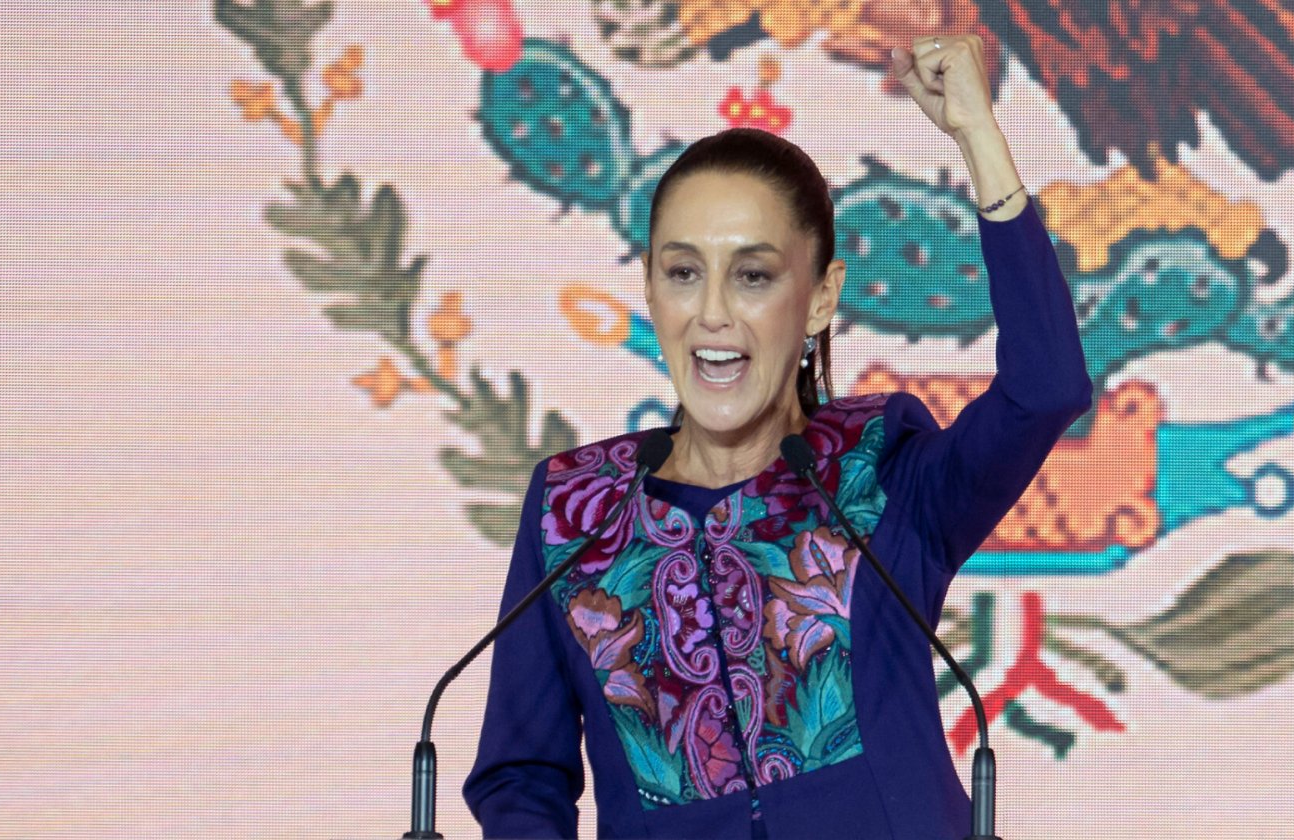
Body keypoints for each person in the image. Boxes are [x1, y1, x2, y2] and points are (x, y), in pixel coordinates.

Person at [463, 34, 1092, 839]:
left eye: (753, 276)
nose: (712, 312)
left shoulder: (882, 473)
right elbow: (521, 776)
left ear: (821, 297)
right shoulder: (575, 510)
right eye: (683, 272)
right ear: (649, 289)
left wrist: (978, 135)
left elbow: (1046, 387)